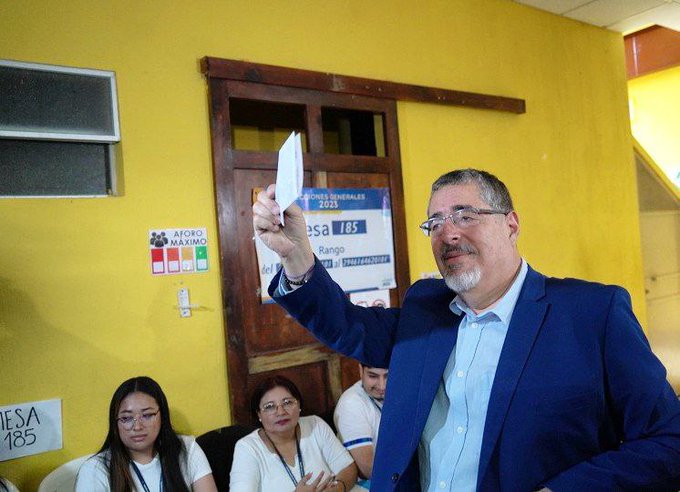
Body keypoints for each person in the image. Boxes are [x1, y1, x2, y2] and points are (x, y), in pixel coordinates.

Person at [252, 169, 680, 491]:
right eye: (434, 223)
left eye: (465, 215)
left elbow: (667, 440)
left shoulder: (589, 313)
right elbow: (348, 327)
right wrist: (296, 255)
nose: (448, 234)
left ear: (511, 224)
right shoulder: (426, 309)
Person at [76, 376, 217, 491]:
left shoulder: (186, 449)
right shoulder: (95, 470)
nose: (137, 427)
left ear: (163, 416)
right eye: (126, 418)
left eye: (147, 415)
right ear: (115, 423)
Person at [230, 375, 358, 491]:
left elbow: (348, 468)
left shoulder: (315, 425)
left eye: (287, 403)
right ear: (259, 414)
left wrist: (337, 489)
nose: (280, 412)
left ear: (299, 405)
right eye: (269, 406)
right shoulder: (247, 448)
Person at [333, 364, 387, 489]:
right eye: (373, 376)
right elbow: (369, 470)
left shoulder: (402, 387)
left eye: (388, 376)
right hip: (368, 485)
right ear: (360, 370)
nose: (382, 386)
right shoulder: (351, 404)